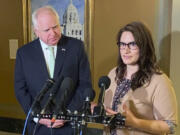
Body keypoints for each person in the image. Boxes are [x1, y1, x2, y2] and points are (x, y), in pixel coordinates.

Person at [14, 6, 94, 135]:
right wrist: (37, 116)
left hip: (70, 125)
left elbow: (85, 84)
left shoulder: (76, 47)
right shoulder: (24, 53)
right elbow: (20, 89)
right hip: (38, 127)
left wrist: (66, 114)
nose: (53, 33)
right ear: (36, 31)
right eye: (47, 30)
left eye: (55, 27)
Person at [103, 21, 178, 135]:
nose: (126, 50)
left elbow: (170, 126)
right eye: (122, 44)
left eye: (132, 44)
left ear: (144, 46)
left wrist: (135, 122)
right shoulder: (113, 73)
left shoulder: (159, 80)